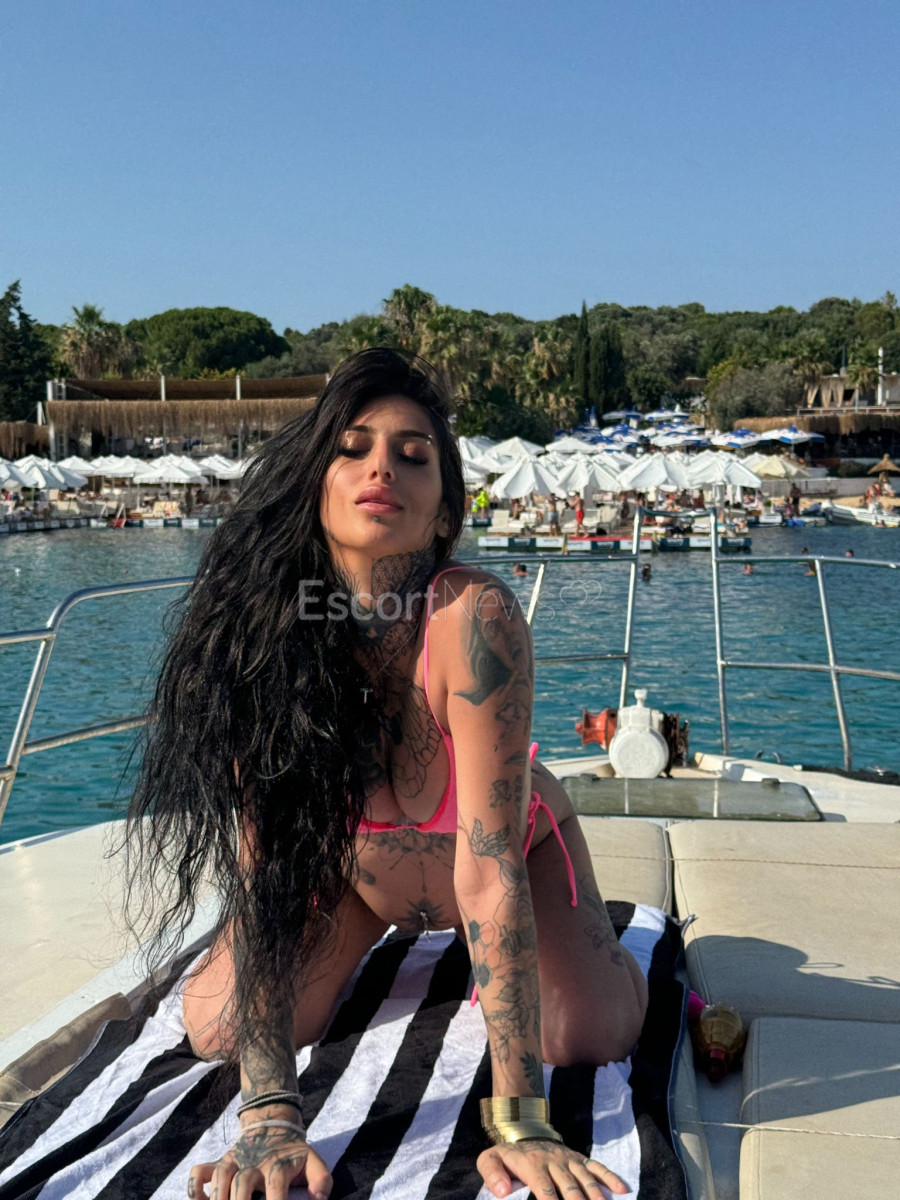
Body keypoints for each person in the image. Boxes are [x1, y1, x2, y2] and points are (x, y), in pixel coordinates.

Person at [127, 349, 645, 1200]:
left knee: (588, 1034)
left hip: (514, 858)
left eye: (414, 455)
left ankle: (610, 945)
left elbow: (488, 870)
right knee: (217, 1028)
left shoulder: (473, 617)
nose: (381, 469)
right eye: (353, 448)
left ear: (445, 511)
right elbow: (263, 875)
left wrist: (520, 1122)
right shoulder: (268, 639)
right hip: (359, 885)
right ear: (315, 484)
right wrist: (270, 1117)